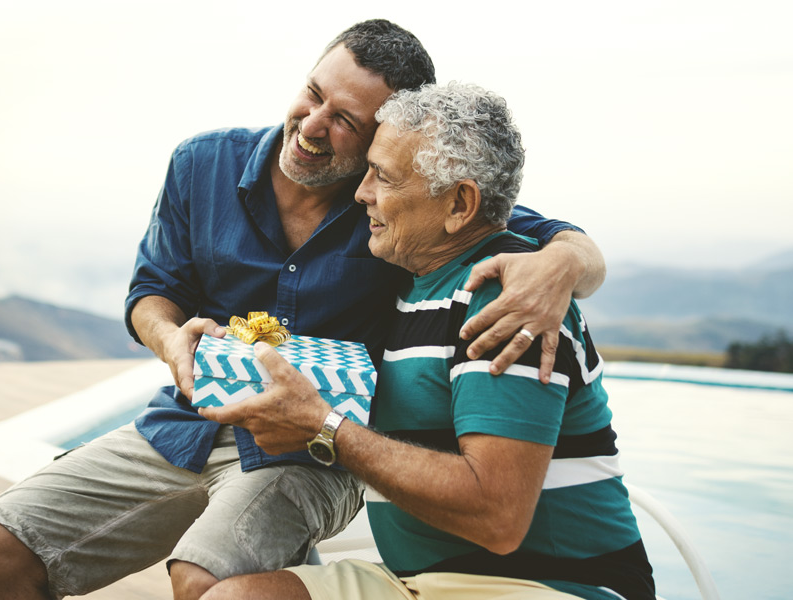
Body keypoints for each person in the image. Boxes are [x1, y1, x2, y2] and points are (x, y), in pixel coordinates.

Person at [0, 20, 606, 600]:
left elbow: (499, 221)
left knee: (206, 579)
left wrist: (565, 263)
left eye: (347, 121)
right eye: (315, 93)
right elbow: (152, 288)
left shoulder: (396, 202)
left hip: (314, 451)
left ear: (387, 140)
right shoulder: (201, 163)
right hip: (185, 422)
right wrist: (168, 337)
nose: (315, 124)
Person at [197, 82, 655, 600]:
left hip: (553, 587)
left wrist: (325, 428)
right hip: (419, 582)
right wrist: (223, 339)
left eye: (383, 177)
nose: (361, 192)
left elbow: (497, 516)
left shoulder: (505, 302)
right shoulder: (403, 284)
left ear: (459, 205)